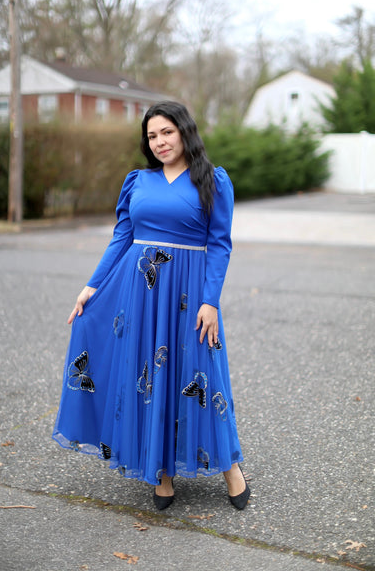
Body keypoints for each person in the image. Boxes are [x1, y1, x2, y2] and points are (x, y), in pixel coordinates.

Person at [52, 101, 250, 511]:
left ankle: (231, 467)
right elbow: (121, 238)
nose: (159, 141)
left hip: (189, 295)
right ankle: (160, 472)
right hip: (140, 294)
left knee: (202, 374)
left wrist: (210, 301)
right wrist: (92, 285)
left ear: (185, 132)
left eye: (167, 132)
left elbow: (219, 245)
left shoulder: (213, 181)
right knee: (148, 375)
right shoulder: (138, 181)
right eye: (152, 135)